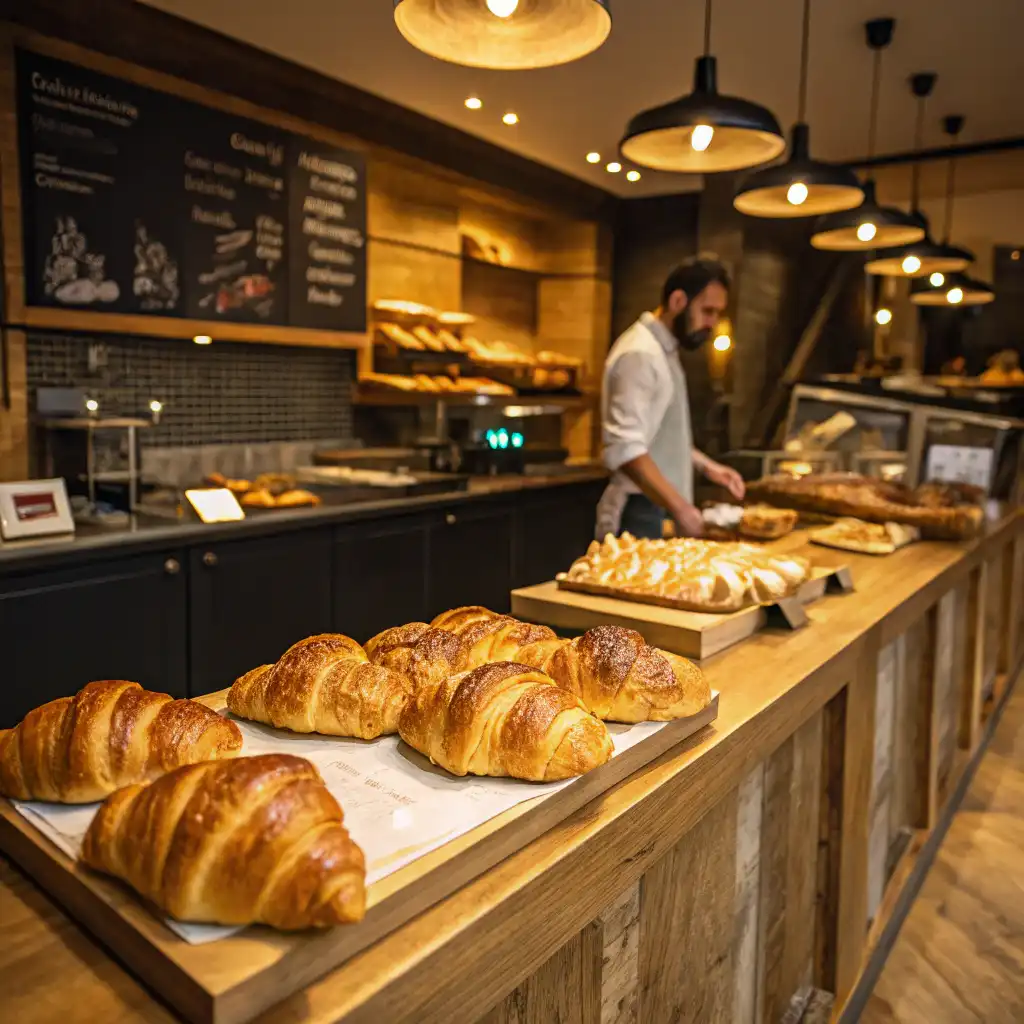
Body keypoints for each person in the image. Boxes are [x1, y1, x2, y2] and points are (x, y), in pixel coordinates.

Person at [597, 257, 745, 539]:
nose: (712, 323)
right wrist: (681, 508)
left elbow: (659, 435)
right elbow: (626, 448)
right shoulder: (639, 353)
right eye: (708, 311)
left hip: (657, 505)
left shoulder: (663, 350)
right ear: (678, 301)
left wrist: (708, 467)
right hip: (638, 510)